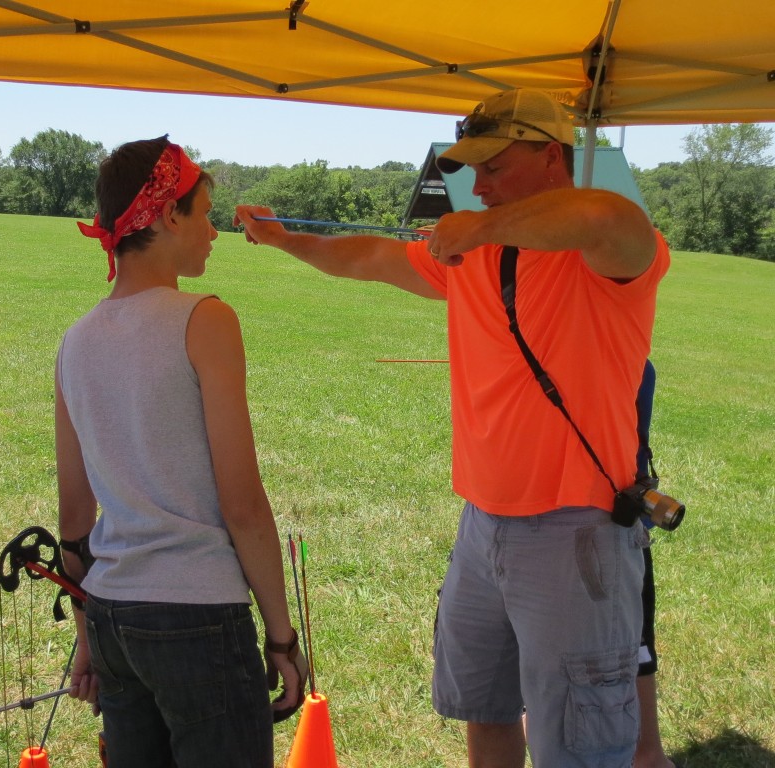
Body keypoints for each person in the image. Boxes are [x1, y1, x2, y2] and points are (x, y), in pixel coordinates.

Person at [234, 88, 671, 767]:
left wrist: (485, 226)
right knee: (485, 711)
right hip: (482, 528)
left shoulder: (608, 258)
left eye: (495, 166)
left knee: (579, 749)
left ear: (551, 155)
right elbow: (367, 259)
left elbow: (608, 215)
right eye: (473, 170)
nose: (479, 185)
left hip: (574, 532)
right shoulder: (478, 258)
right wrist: (285, 240)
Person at [55, 136, 307, 768]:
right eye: (204, 213)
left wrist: (88, 633)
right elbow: (243, 503)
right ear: (169, 215)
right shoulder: (206, 319)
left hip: (113, 618)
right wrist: (281, 637)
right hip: (198, 618)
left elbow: (73, 519)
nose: (215, 231)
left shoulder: (75, 341)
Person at [632, 360, 679, 768]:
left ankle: (648, 754)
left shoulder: (635, 370)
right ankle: (648, 754)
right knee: (637, 643)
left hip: (615, 528)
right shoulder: (639, 368)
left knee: (636, 644)